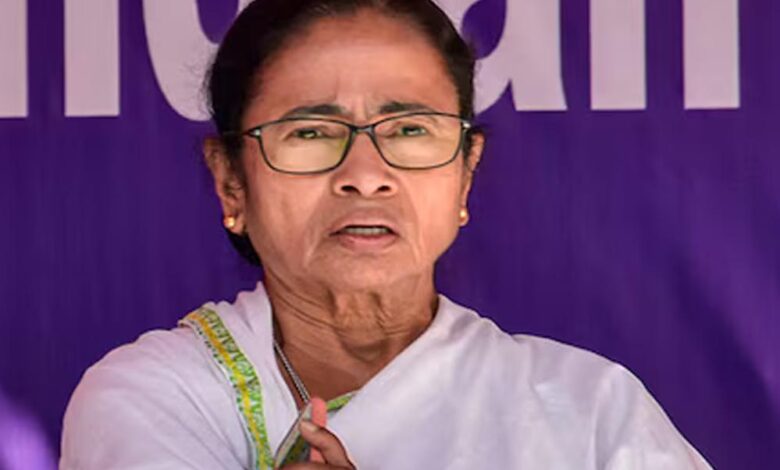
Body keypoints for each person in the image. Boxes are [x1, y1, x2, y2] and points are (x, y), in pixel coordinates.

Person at [61, 0, 713, 468]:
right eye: (310, 132)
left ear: (465, 174)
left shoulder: (589, 410)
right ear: (232, 181)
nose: (366, 176)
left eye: (410, 130)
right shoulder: (154, 398)